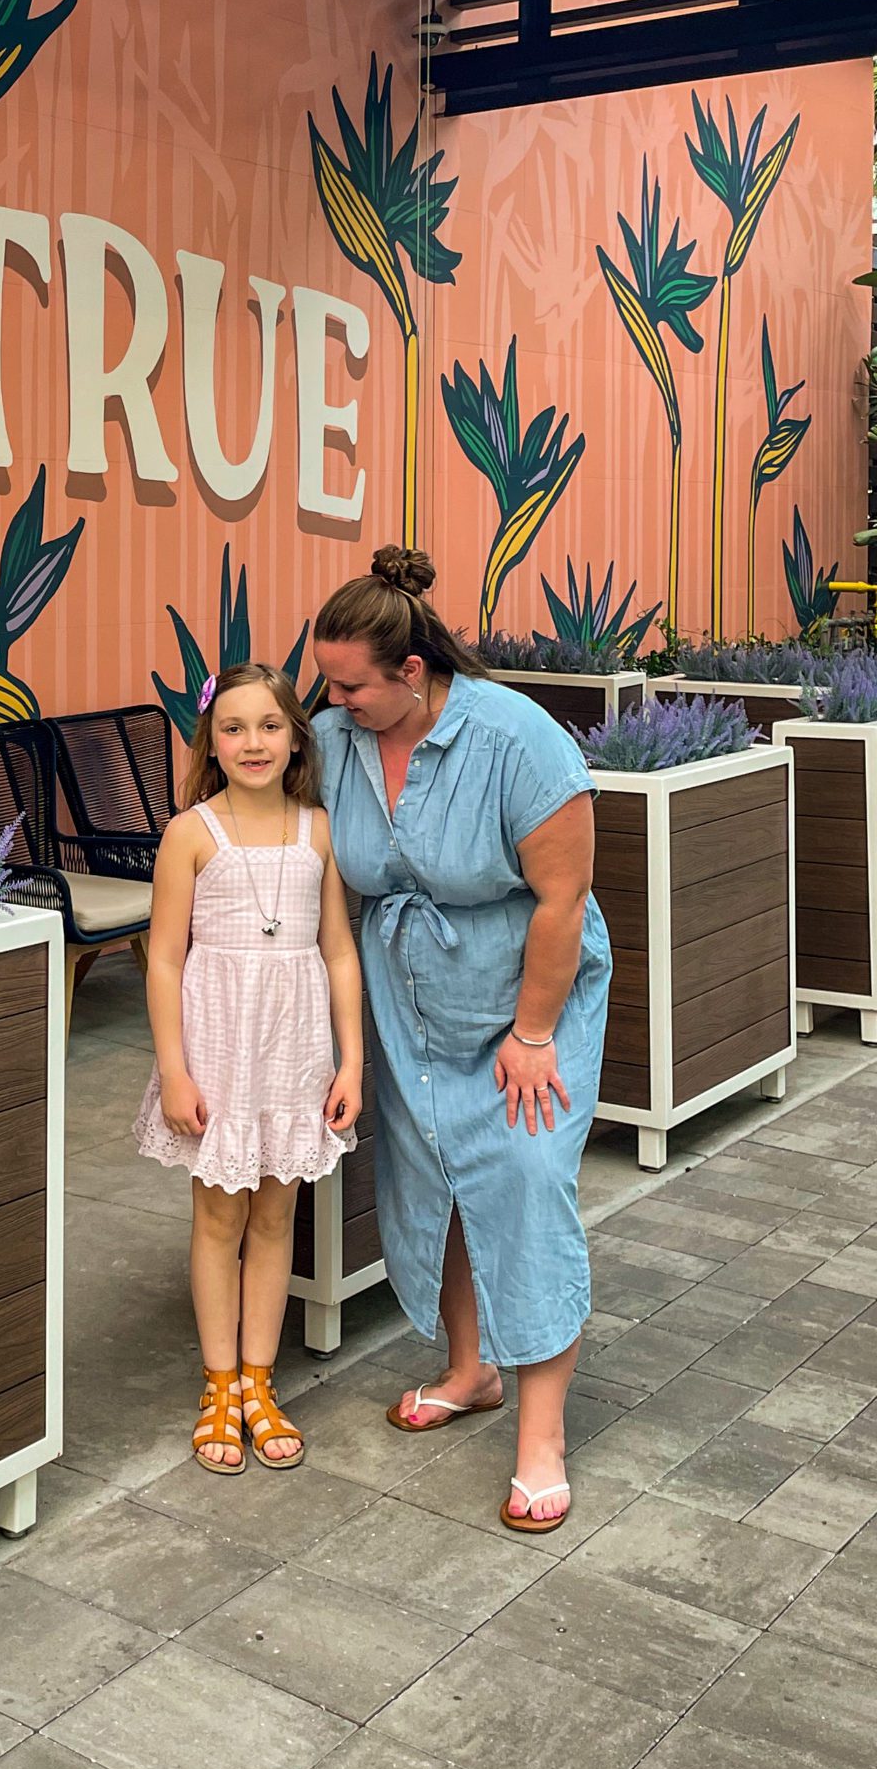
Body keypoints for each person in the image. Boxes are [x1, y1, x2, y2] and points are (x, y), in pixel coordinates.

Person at [311, 546, 609, 1531]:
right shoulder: (335, 738)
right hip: (408, 1001)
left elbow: (563, 902)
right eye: (327, 682)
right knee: (436, 1174)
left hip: (527, 996)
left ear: (412, 672)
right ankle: (471, 1368)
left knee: (523, 1179)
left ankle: (541, 1434)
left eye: (352, 684)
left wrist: (532, 1034)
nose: (336, 699)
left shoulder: (519, 742)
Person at [133, 662, 364, 1474]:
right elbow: (163, 959)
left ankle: (262, 1383)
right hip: (219, 1049)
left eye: (268, 725)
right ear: (211, 741)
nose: (252, 742)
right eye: (233, 728)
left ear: (295, 734)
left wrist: (351, 1062)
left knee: (276, 1220)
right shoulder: (190, 834)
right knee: (218, 1220)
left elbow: (338, 950)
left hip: (296, 1050)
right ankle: (219, 1383)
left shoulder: (318, 830)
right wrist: (175, 1070)